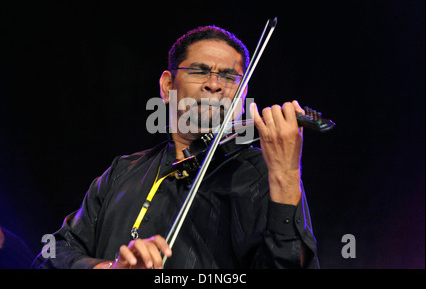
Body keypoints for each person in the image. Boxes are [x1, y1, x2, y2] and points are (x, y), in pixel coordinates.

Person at [33, 25, 319, 269]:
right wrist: (108, 267)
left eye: (230, 77)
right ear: (167, 85)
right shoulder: (123, 171)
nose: (215, 84)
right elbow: (52, 254)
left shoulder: (263, 174)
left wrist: (285, 174)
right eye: (200, 71)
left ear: (242, 95)